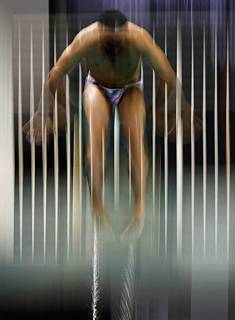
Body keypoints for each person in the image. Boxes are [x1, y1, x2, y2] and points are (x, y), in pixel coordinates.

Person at [25, 9, 195, 240]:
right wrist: (57, 109)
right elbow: (55, 75)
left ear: (126, 33)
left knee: (137, 145)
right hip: (97, 86)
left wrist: (158, 108)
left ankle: (139, 208)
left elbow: (168, 76)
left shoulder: (139, 37)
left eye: (119, 39)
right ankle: (97, 206)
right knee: (95, 145)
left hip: (130, 88)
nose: (115, 43)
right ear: (100, 33)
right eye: (108, 40)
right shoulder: (87, 38)